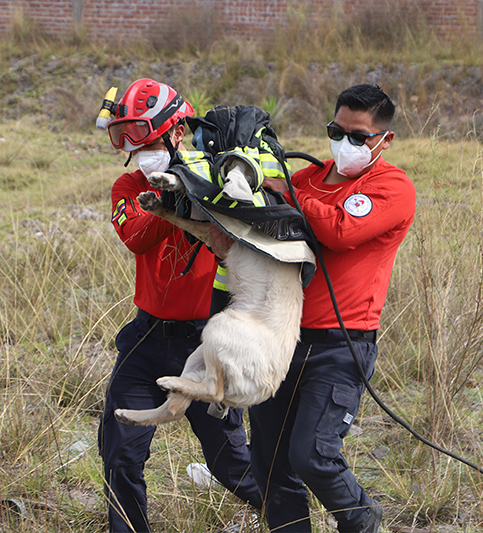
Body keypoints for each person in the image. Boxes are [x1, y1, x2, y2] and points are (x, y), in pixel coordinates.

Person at [249, 84, 416, 533]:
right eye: (336, 131)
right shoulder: (309, 177)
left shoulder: (391, 187)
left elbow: (340, 230)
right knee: (270, 461)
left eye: (358, 136)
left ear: (385, 139)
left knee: (313, 453)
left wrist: (288, 193)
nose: (345, 143)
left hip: (340, 346)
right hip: (281, 339)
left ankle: (360, 519)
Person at [98, 78, 263, 532]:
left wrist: (202, 186)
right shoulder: (128, 187)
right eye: (133, 142)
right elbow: (136, 236)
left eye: (150, 140)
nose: (140, 151)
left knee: (232, 466)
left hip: (207, 343)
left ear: (176, 133)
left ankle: (292, 520)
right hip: (146, 338)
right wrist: (171, 194)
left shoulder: (216, 179)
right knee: (120, 453)